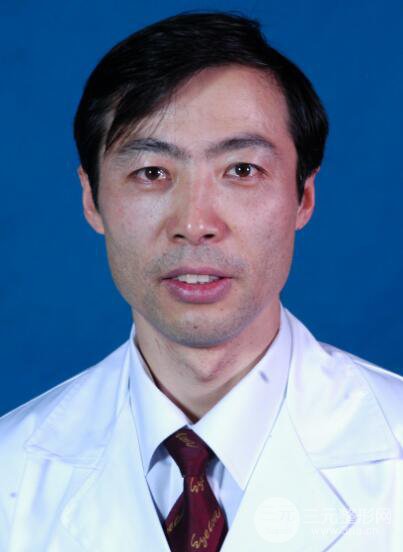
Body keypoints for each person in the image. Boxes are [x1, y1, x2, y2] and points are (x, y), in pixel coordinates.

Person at [0, 11, 401, 552]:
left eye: (242, 170)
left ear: (303, 196)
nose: (194, 223)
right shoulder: (11, 474)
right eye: (151, 173)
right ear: (91, 199)